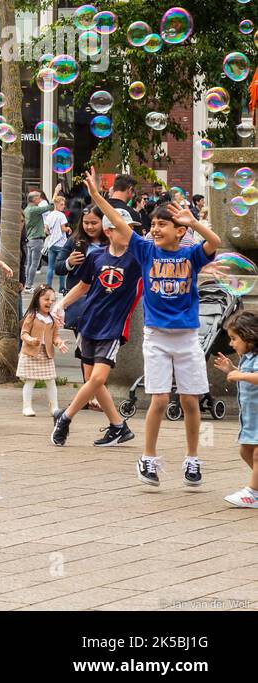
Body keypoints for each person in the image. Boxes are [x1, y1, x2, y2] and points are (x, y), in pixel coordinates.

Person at [86, 169, 219, 488]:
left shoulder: (190, 255)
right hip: (156, 338)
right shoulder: (146, 251)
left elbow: (214, 242)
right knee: (159, 399)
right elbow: (118, 224)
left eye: (162, 224)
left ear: (179, 230)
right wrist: (96, 197)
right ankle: (148, 457)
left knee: (190, 400)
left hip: (187, 338)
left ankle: (192, 458)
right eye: (154, 224)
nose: (155, 229)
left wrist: (194, 222)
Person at [51, 207, 141, 448]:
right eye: (124, 228)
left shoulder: (136, 259)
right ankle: (118, 427)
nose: (130, 232)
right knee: (93, 380)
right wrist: (61, 304)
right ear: (110, 231)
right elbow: (83, 286)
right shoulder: (96, 256)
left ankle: (65, 416)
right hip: (89, 323)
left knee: (98, 378)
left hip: (113, 328)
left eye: (131, 228)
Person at [212, 312, 258, 509]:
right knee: (245, 450)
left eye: (234, 338)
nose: (231, 344)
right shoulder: (247, 358)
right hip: (250, 419)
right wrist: (232, 370)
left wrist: (239, 375)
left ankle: (253, 493)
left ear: (249, 337)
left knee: (257, 454)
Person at [18, 286, 68, 417]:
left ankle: (54, 407)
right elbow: (23, 334)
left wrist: (59, 343)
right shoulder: (32, 316)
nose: (49, 303)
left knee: (51, 381)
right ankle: (27, 407)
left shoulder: (52, 318)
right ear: (37, 299)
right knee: (30, 381)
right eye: (46, 299)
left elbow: (55, 336)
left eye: (52, 300)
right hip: (31, 353)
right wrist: (30, 340)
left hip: (46, 353)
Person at [41, 195, 72, 289]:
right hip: (61, 244)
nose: (63, 206)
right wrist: (68, 228)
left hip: (51, 244)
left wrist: (52, 232)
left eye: (64, 204)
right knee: (61, 267)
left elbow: (46, 230)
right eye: (61, 204)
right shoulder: (61, 215)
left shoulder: (50, 215)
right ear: (56, 204)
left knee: (50, 267)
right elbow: (63, 229)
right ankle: (61, 288)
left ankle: (48, 286)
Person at [22, 190, 49, 290]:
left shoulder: (27, 209)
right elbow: (49, 207)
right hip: (37, 239)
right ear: (34, 199)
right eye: (38, 197)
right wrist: (55, 192)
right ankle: (29, 285)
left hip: (29, 239)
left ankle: (26, 283)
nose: (40, 199)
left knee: (29, 264)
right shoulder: (34, 209)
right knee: (34, 264)